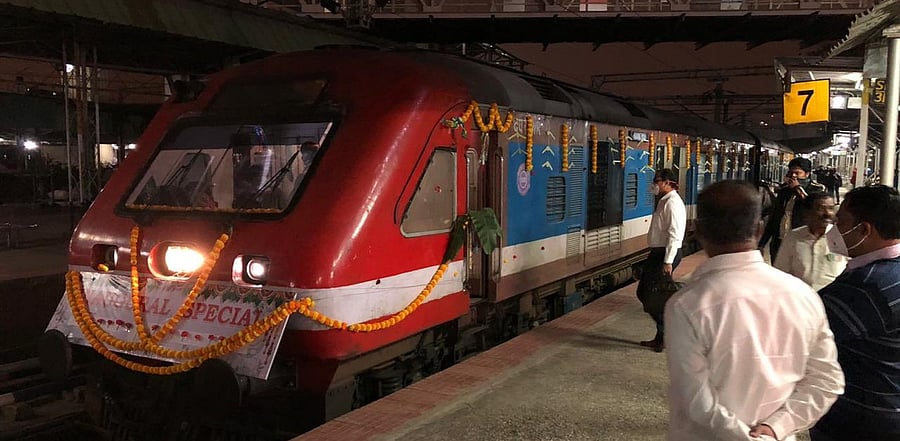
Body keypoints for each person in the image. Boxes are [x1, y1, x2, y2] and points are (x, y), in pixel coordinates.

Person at [665, 180, 844, 441]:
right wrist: (775, 428)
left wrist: (746, 436)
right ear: (759, 229)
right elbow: (828, 381)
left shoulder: (687, 305)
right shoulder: (803, 295)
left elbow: (696, 400)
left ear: (699, 230)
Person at [811, 185, 900, 441]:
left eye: (841, 222)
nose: (834, 229)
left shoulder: (865, 288)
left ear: (864, 230)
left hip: (861, 419)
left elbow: (803, 335)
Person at [636, 168, 686, 352]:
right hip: (659, 253)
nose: (654, 184)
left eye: (657, 181)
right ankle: (662, 335)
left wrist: (668, 261)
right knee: (649, 293)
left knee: (651, 294)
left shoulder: (672, 203)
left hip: (665, 254)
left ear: (667, 182)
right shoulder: (665, 201)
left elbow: (675, 234)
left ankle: (666, 334)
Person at [773, 193, 847, 291]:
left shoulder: (842, 237)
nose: (827, 213)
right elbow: (780, 274)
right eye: (821, 208)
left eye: (831, 208)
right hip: (800, 301)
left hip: (832, 302)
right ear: (807, 213)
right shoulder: (793, 238)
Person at [760, 157, 826, 261]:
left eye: (797, 173)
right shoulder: (785, 190)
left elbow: (813, 207)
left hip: (803, 241)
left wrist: (798, 189)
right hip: (780, 241)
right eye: (791, 173)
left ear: (807, 174)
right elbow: (774, 217)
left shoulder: (817, 189)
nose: (793, 176)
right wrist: (762, 244)